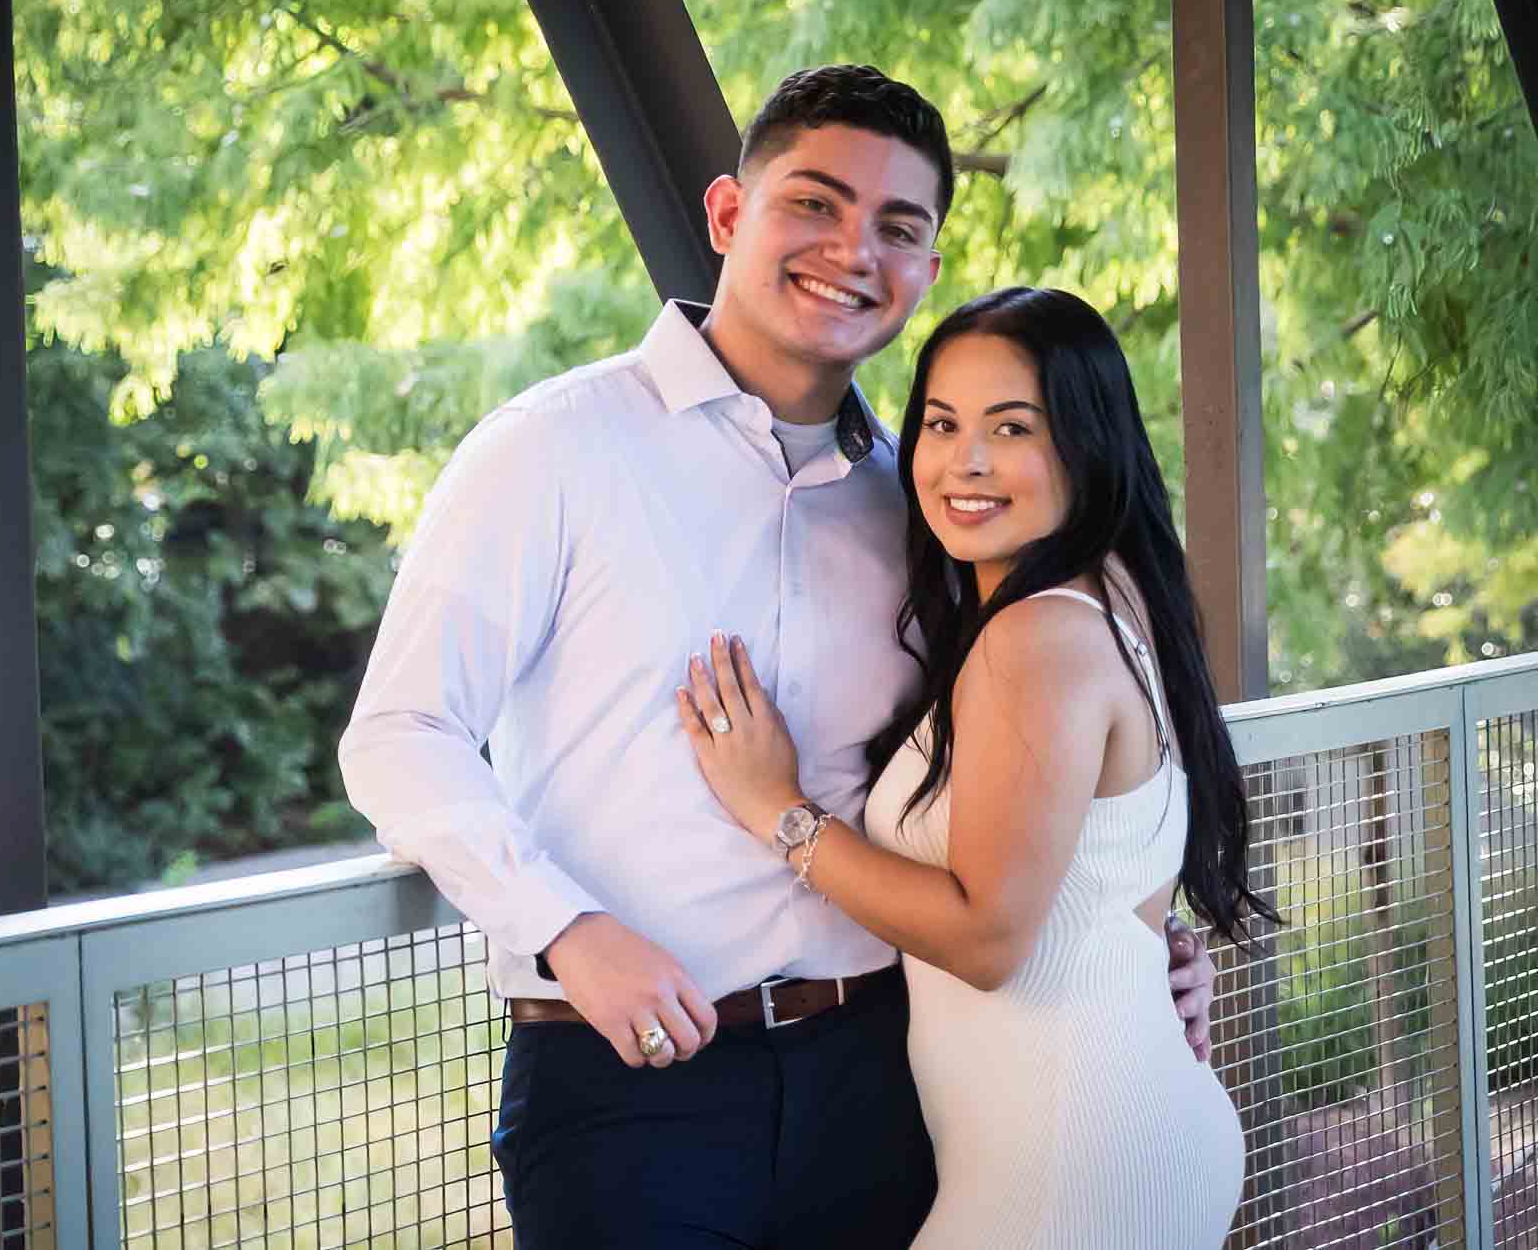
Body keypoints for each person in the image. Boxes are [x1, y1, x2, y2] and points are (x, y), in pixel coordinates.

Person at [338, 66, 1218, 1248]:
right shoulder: (552, 451)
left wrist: (1112, 941)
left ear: (925, 270)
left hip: (888, 1077)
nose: (852, 248)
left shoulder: (926, 506)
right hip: (633, 1089)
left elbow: (1025, 766)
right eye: (814, 202)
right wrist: (562, 926)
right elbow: (397, 735)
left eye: (896, 227)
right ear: (724, 215)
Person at [679, 285, 1275, 1247]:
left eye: (1012, 427)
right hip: (1100, 1131)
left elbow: (988, 937)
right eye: (944, 423)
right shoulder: (1101, 595)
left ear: (1086, 443)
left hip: (1071, 1161)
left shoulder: (1039, 635)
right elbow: (1104, 879)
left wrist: (777, 810)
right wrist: (1155, 960)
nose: (968, 461)